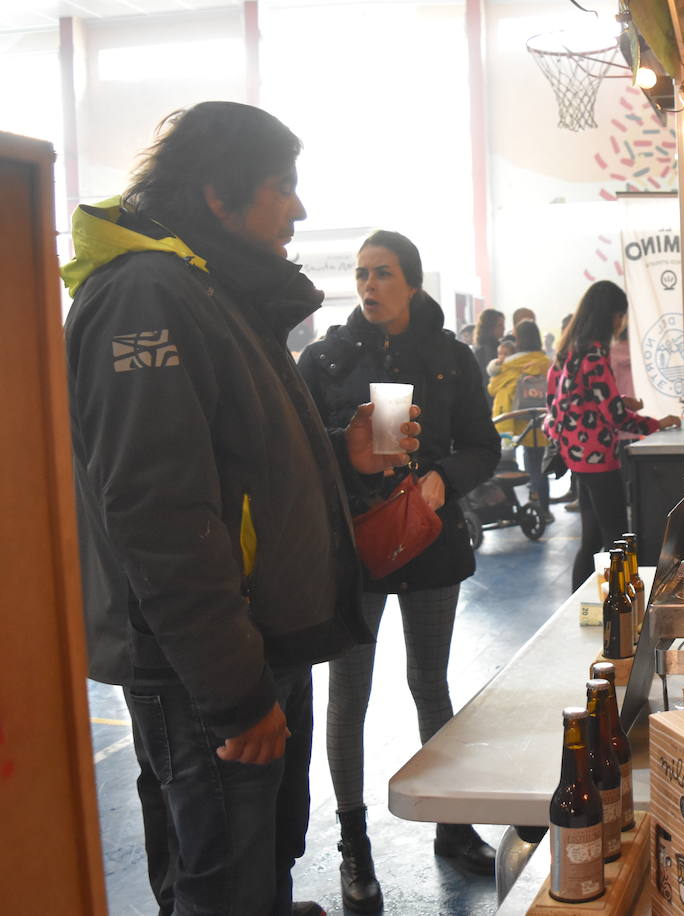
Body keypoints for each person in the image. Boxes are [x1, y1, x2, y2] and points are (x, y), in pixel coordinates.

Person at [63, 101, 420, 916]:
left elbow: (235, 466)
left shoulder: (205, 290)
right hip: (206, 668)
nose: (299, 209)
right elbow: (159, 514)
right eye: (281, 187)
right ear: (218, 195)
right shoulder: (146, 296)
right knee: (223, 879)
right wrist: (234, 693)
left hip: (253, 645)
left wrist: (341, 452)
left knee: (258, 863)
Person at [297, 230, 502, 911]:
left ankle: (452, 822)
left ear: (412, 283)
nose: (368, 286)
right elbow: (298, 453)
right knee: (347, 697)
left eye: (382, 274)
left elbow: (484, 445)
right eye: (360, 275)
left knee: (431, 682)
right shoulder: (325, 359)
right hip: (354, 551)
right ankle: (354, 844)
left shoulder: (450, 358)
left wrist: (445, 477)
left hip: (431, 544)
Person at [547, 280, 679, 591]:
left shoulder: (569, 352)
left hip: (576, 457)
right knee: (619, 540)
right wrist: (657, 424)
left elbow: (570, 402)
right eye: (620, 315)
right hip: (598, 459)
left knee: (591, 539)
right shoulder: (594, 354)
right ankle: (621, 608)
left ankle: (578, 606)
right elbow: (614, 417)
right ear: (610, 316)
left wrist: (619, 402)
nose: (621, 323)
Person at [490, 319, 555, 520]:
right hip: (542, 419)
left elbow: (493, 388)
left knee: (511, 463)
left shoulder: (510, 364)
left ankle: (512, 507)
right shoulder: (548, 363)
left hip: (515, 421)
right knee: (539, 462)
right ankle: (543, 507)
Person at [473, 307, 506, 397]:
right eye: (500, 325)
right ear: (489, 327)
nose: (504, 328)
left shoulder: (500, 347)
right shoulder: (483, 351)